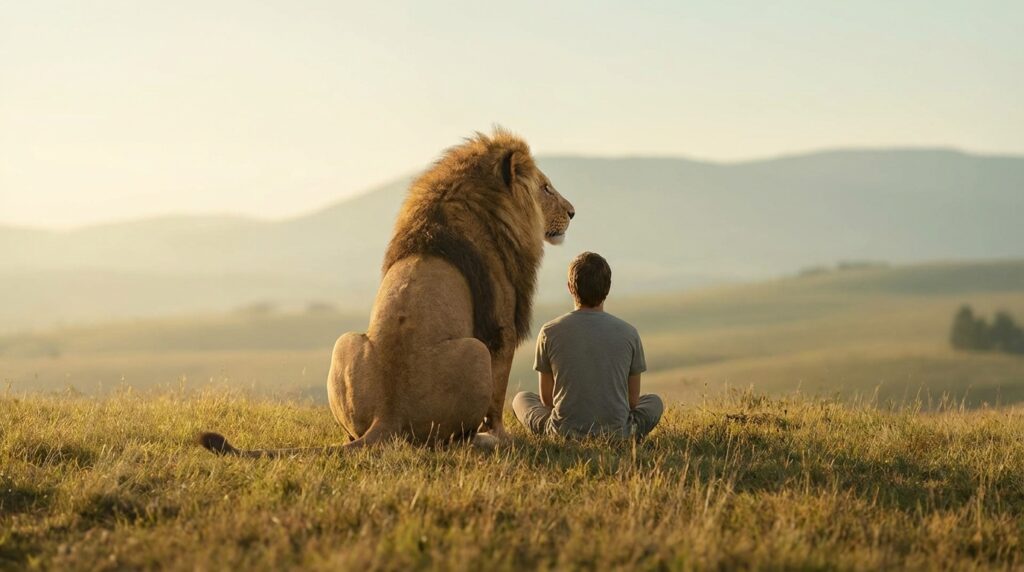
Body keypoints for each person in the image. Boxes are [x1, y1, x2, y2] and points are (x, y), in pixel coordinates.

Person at [513, 251, 663, 439]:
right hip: (618, 433)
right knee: (653, 402)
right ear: (607, 289)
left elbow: (547, 400)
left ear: (570, 287)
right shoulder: (629, 333)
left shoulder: (549, 332)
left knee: (521, 399)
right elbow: (633, 402)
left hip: (563, 432)